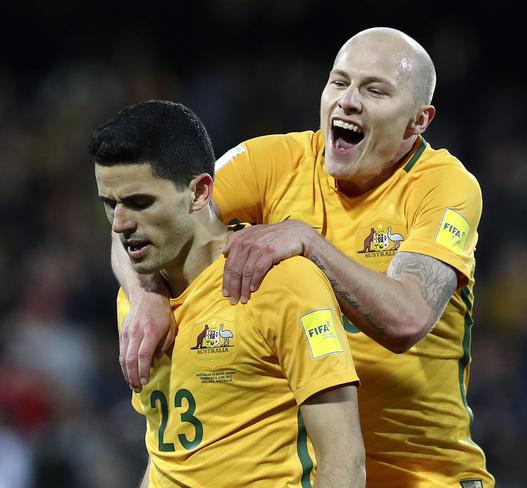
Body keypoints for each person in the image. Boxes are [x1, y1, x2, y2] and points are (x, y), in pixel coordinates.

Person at [115, 27, 494, 487]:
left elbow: (407, 319)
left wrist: (307, 242)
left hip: (424, 477)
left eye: (374, 90)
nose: (348, 101)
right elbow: (147, 220)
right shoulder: (273, 161)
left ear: (419, 121)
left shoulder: (444, 187)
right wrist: (147, 295)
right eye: (339, 82)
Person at [90, 100, 365, 487]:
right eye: (110, 204)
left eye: (139, 203)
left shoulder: (283, 284)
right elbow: (168, 452)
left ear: (200, 192)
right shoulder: (137, 304)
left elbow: (345, 461)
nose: (119, 224)